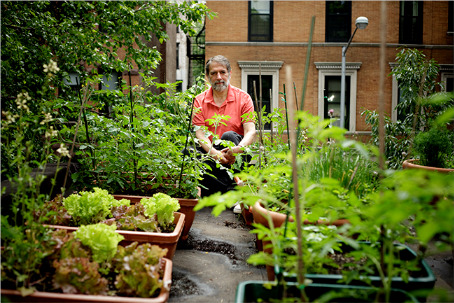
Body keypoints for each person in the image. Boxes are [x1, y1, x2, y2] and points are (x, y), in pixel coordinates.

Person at [192, 55, 256, 200]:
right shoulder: (199, 100)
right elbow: (200, 135)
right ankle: (227, 190)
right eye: (213, 73)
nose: (219, 77)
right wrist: (215, 153)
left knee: (229, 136)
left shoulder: (243, 98)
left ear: (229, 73)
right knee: (188, 152)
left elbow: (250, 131)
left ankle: (232, 193)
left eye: (222, 72)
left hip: (236, 154)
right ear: (208, 77)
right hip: (210, 154)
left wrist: (237, 149)